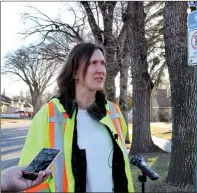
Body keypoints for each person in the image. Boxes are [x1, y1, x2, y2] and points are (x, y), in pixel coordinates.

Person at [18, 43, 134, 192]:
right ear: (74, 72)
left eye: (103, 63)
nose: (101, 70)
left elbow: (121, 168)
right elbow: (32, 177)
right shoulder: (51, 115)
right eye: (93, 63)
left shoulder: (113, 112)